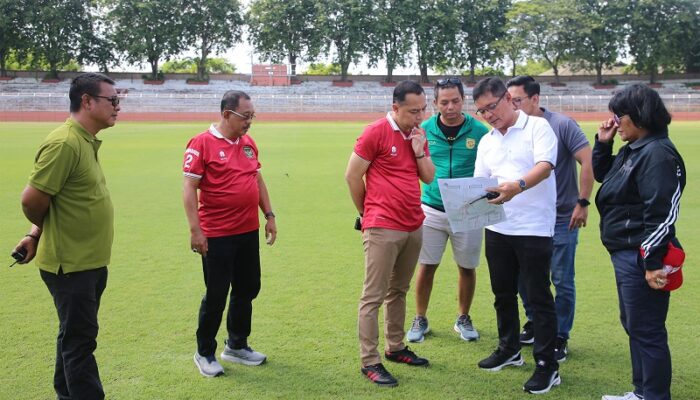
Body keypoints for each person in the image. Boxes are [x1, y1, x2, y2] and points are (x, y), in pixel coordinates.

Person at [11, 72, 121, 399]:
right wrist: (39, 227)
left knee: (72, 336)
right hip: (70, 265)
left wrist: (35, 232)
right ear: (87, 101)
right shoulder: (65, 143)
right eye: (112, 100)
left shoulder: (83, 139)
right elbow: (32, 199)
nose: (118, 106)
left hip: (86, 261)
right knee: (80, 342)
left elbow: (59, 200)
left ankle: (65, 394)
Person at [594, 84, 685, 400]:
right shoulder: (635, 148)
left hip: (641, 254)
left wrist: (652, 263)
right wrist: (602, 145)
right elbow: (604, 177)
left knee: (646, 330)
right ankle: (642, 392)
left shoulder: (657, 154)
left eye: (619, 116)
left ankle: (654, 395)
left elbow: (661, 214)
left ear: (640, 116)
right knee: (636, 325)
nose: (615, 123)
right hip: (626, 251)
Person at [471, 77, 561, 394]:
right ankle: (509, 349)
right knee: (503, 294)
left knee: (538, 298)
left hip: (533, 227)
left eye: (492, 107)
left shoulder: (538, 128)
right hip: (497, 227)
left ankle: (547, 366)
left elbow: (545, 166)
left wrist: (516, 186)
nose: (489, 115)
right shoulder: (487, 141)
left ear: (509, 98)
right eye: (482, 111)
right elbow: (481, 182)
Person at [345, 80, 436, 387]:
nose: (420, 116)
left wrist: (420, 150)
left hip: (413, 223)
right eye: (413, 111)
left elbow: (428, 177)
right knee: (372, 297)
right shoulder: (375, 132)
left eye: (423, 110)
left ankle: (395, 347)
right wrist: (366, 213)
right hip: (383, 226)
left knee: (398, 290)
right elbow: (352, 175)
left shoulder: (417, 134)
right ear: (395, 108)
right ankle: (369, 360)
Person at [182, 90, 277, 378]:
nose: (250, 122)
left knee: (248, 288)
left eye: (252, 116)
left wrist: (269, 215)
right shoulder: (201, 143)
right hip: (217, 234)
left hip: (247, 231)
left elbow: (257, 179)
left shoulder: (248, 143)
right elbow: (189, 188)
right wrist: (195, 231)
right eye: (245, 116)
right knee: (216, 294)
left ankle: (236, 344)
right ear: (226, 114)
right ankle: (205, 352)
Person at [506, 75, 593, 361]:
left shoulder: (562, 125)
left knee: (562, 278)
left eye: (517, 100)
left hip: (561, 217)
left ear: (535, 98)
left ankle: (560, 336)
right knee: (522, 276)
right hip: (525, 218)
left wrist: (582, 202)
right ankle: (534, 321)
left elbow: (587, 160)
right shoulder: (511, 130)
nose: (513, 105)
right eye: (509, 100)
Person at [407, 77, 489, 343]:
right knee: (426, 266)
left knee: (467, 267)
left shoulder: (480, 131)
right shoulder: (424, 129)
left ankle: (463, 317)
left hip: (470, 208)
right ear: (434, 103)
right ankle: (420, 318)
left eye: (455, 101)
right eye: (444, 102)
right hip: (431, 208)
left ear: (463, 100)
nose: (451, 107)